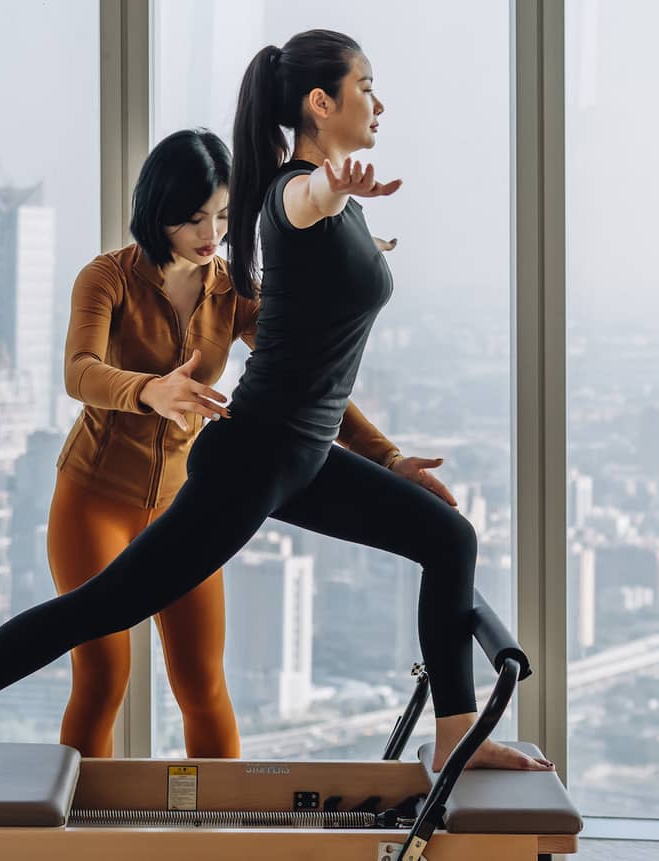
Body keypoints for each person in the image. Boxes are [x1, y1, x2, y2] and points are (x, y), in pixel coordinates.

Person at [0, 29, 553, 783]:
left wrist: (391, 458)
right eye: (365, 84)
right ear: (319, 101)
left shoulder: (293, 233)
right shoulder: (291, 196)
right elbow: (299, 201)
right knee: (101, 612)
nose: (378, 100)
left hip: (300, 457)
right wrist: (333, 184)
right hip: (253, 459)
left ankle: (456, 740)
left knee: (450, 540)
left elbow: (316, 368)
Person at [50, 128, 412, 759]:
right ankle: (81, 838)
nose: (210, 232)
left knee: (203, 685)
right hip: (94, 500)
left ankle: (222, 835)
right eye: (192, 218)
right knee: (104, 679)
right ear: (155, 213)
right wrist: (149, 391)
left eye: (221, 215)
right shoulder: (107, 278)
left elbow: (306, 382)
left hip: (186, 506)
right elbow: (77, 370)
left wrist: (387, 456)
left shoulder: (234, 290)